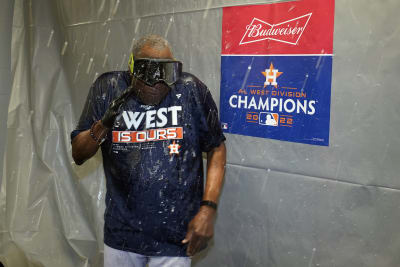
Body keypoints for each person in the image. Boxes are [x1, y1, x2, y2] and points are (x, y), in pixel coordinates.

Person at [71, 35, 226, 267]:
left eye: (165, 78)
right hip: (122, 235)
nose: (157, 86)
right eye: (149, 79)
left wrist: (208, 208)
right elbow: (79, 154)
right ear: (132, 69)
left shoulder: (190, 90)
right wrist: (102, 125)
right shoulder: (109, 87)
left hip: (176, 235)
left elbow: (217, 148)